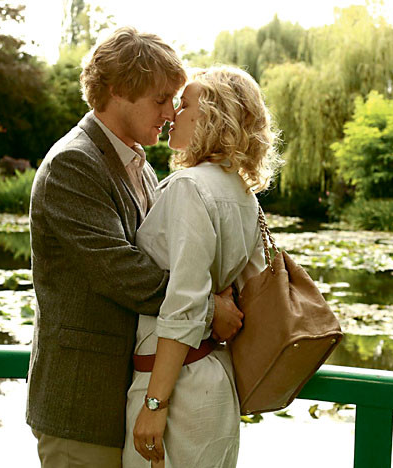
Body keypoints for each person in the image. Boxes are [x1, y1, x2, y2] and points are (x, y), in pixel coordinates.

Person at [26, 28, 244, 468]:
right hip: (83, 405)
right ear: (117, 91)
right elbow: (120, 272)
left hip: (126, 397)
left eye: (173, 100)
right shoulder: (73, 163)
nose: (170, 112)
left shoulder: (139, 166)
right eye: (160, 99)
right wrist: (208, 310)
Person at [122, 65, 282, 467]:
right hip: (214, 384)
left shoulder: (189, 186)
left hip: (176, 390)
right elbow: (247, 292)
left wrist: (154, 404)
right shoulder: (242, 192)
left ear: (213, 116)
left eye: (186, 104)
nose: (173, 113)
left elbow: (184, 304)